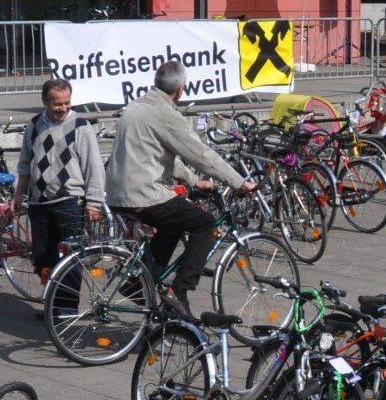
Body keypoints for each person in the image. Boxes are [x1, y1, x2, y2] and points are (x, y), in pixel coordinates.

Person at [106, 60, 256, 317]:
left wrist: (192, 180)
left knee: (173, 224)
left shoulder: (136, 106)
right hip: (142, 193)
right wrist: (239, 182)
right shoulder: (165, 114)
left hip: (117, 192)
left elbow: (159, 152)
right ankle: (180, 290)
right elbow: (200, 154)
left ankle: (137, 282)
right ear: (181, 89)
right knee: (205, 224)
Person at [16, 77, 106, 302]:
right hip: (38, 203)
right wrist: (19, 192)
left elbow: (94, 167)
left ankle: (65, 310)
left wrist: (94, 202)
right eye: (58, 103)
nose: (63, 108)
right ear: (45, 101)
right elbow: (25, 162)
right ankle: (51, 302)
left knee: (70, 259)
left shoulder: (80, 127)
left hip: (68, 202)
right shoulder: (34, 124)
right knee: (42, 258)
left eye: (67, 102)